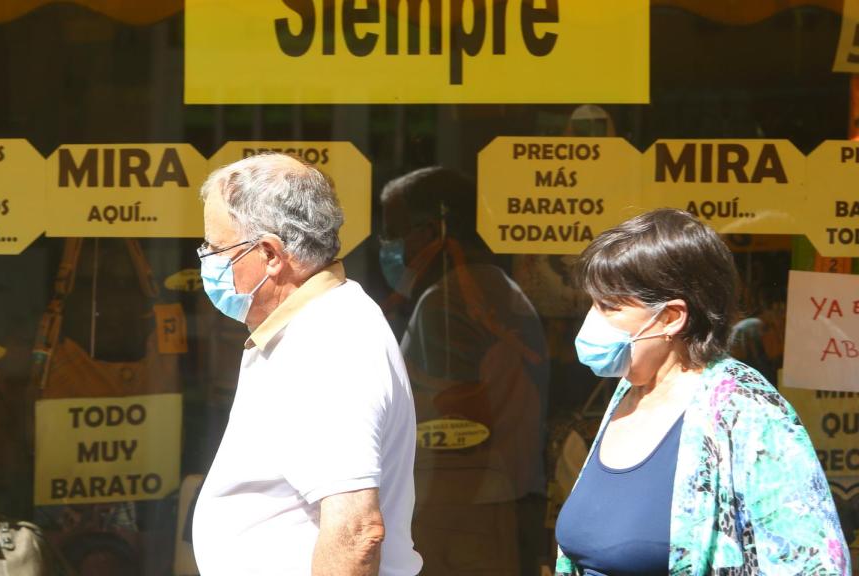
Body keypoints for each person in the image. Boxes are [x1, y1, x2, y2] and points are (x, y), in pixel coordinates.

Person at [554, 208, 849, 575]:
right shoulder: (628, 393)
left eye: (609, 306)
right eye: (593, 303)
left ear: (671, 317)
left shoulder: (747, 409)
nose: (592, 320)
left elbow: (813, 563)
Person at [191, 153, 423, 576]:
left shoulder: (328, 343)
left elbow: (355, 532)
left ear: (270, 255)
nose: (206, 258)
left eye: (215, 246)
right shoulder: (310, 326)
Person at [379, 167, 549, 575]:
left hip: (455, 513)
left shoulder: (447, 304)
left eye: (396, 231)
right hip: (491, 501)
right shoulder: (491, 286)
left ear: (435, 228)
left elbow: (452, 420)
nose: (389, 246)